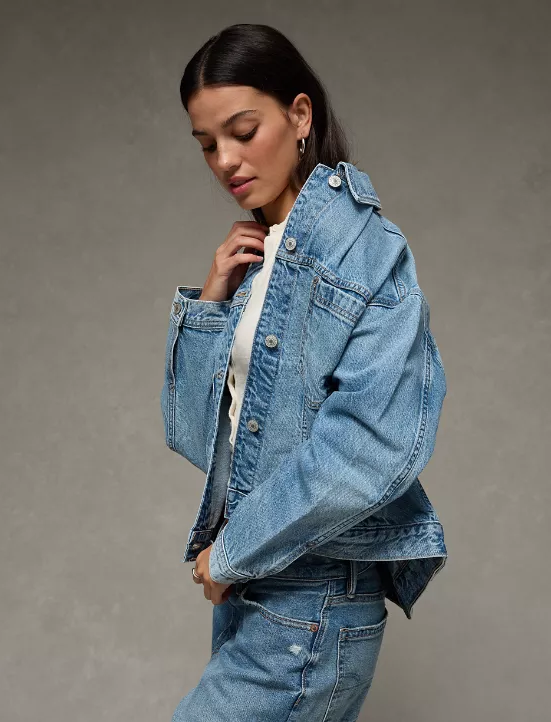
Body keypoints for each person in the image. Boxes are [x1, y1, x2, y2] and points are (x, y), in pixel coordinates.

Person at [162, 22, 448, 721]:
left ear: (298, 115)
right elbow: (190, 436)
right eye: (207, 144)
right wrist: (210, 307)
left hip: (313, 601)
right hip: (257, 592)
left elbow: (366, 449)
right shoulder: (260, 260)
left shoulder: (366, 252)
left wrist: (233, 551)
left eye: (242, 130)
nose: (226, 160)